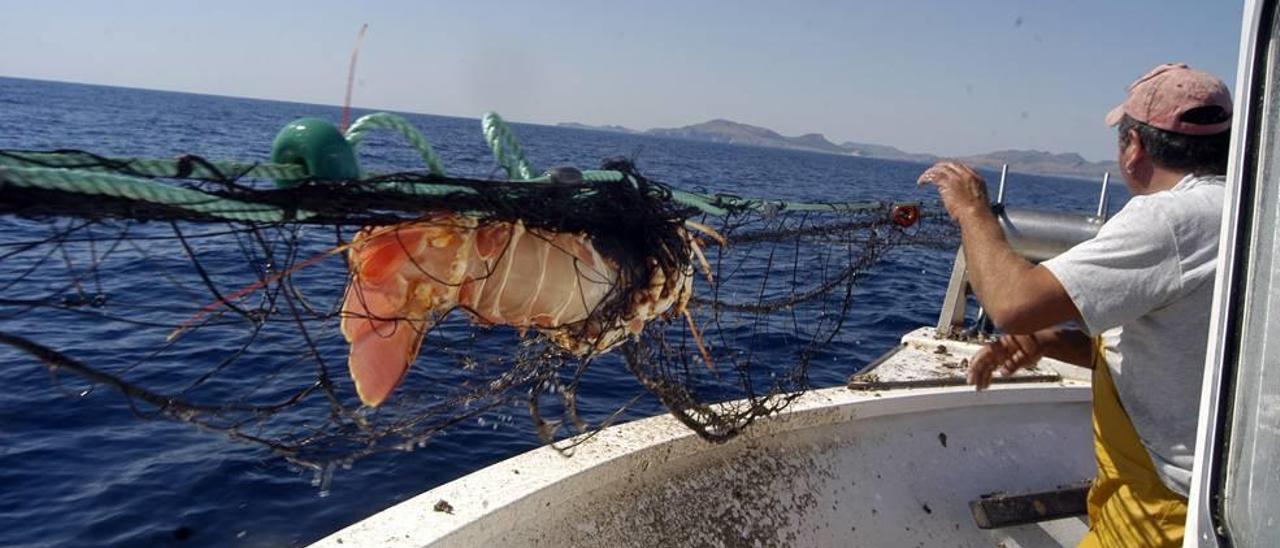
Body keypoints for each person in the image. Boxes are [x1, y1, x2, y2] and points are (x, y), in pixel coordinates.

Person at [918, 63, 1232, 547]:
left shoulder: (1172, 218)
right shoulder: (1238, 211)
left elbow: (1012, 304)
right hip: (1199, 502)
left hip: (1161, 516)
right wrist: (1048, 341)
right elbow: (1181, 351)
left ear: (1135, 148)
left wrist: (972, 211)